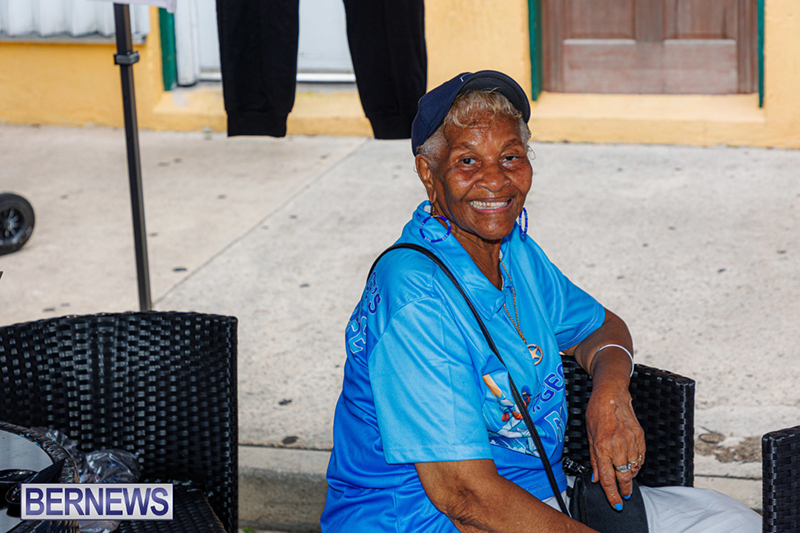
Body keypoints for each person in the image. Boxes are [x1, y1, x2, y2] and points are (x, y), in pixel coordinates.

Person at [321, 70, 761, 532]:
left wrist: (610, 396)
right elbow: (465, 498)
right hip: (422, 518)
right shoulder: (416, 296)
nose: (496, 180)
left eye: (510, 157)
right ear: (428, 174)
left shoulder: (513, 251)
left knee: (731, 522)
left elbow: (602, 328)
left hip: (538, 495)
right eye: (468, 161)